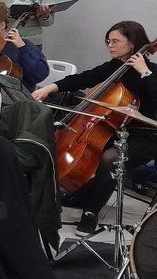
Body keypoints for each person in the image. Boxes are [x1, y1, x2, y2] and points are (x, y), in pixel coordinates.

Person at [33, 20, 157, 235]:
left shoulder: (151, 71)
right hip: (115, 129)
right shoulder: (116, 67)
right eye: (108, 41)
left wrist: (145, 72)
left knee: (111, 158)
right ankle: (74, 195)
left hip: (145, 136)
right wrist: (52, 88)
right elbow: (86, 77)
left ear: (133, 43)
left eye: (116, 41)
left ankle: (91, 212)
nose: (110, 45)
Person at [0, 1, 49, 90]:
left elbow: (39, 74)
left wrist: (23, 48)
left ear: (2, 25)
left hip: (17, 97)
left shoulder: (21, 45)